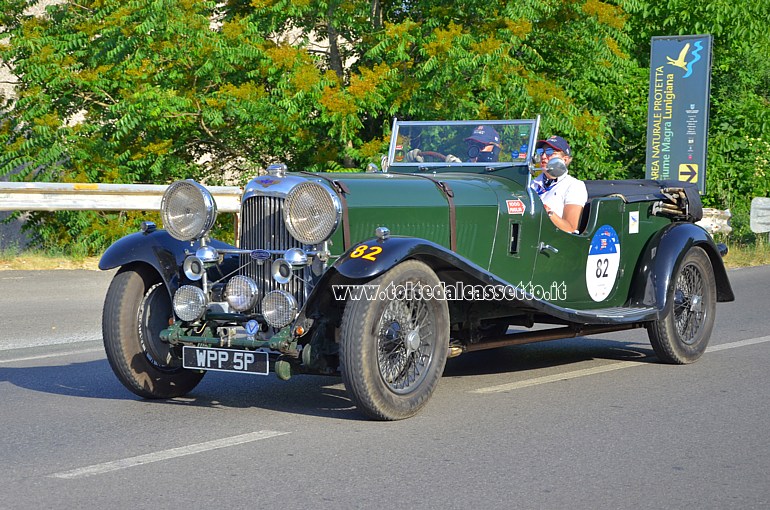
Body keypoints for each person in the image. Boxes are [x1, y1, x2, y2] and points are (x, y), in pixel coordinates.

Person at [530, 135, 587, 233]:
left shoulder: (574, 186)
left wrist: (548, 213)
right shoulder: (531, 184)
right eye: (541, 152)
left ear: (564, 160)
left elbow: (570, 228)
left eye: (550, 152)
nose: (543, 156)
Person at [405, 125, 501, 163]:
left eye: (481, 145)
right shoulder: (463, 165)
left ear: (495, 149)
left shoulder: (503, 173)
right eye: (471, 144)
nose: (474, 150)